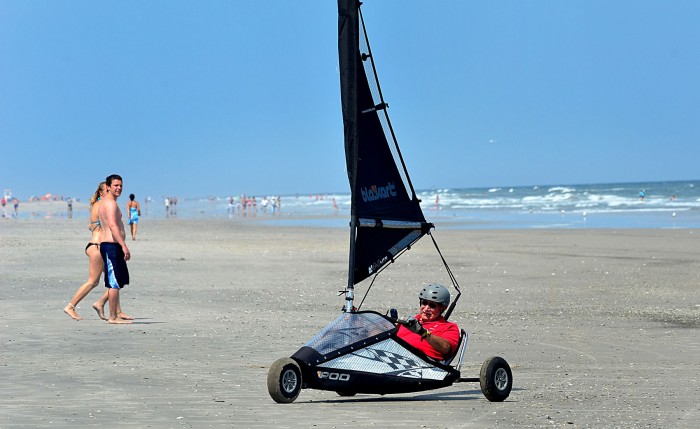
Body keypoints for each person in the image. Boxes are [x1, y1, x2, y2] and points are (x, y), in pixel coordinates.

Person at [64, 182, 111, 320]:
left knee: (114, 281)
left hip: (96, 245)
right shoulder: (102, 205)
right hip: (97, 247)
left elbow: (90, 226)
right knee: (93, 281)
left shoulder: (97, 205)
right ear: (101, 193)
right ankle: (70, 306)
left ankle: (107, 306)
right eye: (107, 191)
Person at [99, 174, 133, 324]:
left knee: (118, 281)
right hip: (111, 245)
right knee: (113, 282)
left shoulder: (108, 202)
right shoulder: (110, 204)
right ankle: (112, 317)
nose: (119, 188)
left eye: (120, 185)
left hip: (113, 246)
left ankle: (115, 313)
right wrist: (123, 245)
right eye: (115, 185)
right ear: (108, 187)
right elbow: (112, 226)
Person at [397, 284, 460, 360]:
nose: (426, 309)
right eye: (424, 303)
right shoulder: (409, 321)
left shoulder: (449, 327)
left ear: (443, 308)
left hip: (420, 363)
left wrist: (423, 332)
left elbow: (446, 348)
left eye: (432, 305)